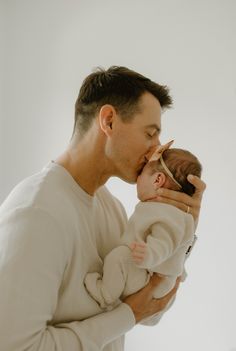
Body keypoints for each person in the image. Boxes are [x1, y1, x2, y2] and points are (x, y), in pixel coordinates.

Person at [0, 66, 206, 351]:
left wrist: (185, 228)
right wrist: (127, 315)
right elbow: (16, 346)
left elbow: (152, 310)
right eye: (150, 134)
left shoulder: (114, 209)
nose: (156, 151)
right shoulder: (36, 212)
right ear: (108, 121)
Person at [84, 142, 202, 320]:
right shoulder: (167, 212)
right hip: (152, 276)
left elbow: (165, 241)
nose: (137, 178)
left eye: (142, 173)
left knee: (119, 257)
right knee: (122, 257)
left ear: (157, 180)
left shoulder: (168, 214)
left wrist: (150, 253)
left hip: (152, 275)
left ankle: (105, 294)